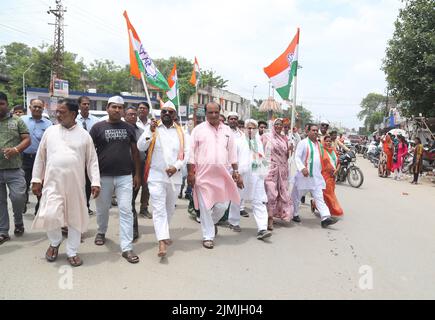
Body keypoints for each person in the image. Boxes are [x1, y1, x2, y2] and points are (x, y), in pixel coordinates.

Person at [31, 100, 100, 267]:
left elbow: (92, 161)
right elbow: (40, 157)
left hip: (76, 184)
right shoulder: (50, 131)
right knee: (50, 215)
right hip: (53, 183)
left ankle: (72, 251)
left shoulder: (84, 135)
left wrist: (95, 182)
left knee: (75, 219)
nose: (58, 115)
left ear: (73, 114)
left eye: (62, 112)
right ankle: (55, 242)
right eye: (57, 112)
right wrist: (36, 179)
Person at [90, 96, 141, 264]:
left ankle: (126, 248)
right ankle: (101, 231)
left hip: (125, 176)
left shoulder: (129, 128)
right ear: (107, 108)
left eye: (120, 107)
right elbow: (90, 155)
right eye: (114, 107)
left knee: (126, 210)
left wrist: (137, 174)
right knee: (102, 208)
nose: (117, 110)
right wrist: (93, 178)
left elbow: (135, 152)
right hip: (103, 176)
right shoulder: (97, 128)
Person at [187, 101, 243, 249]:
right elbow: (191, 153)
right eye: (210, 112)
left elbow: (232, 153)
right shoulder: (198, 130)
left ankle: (211, 224)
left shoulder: (227, 131)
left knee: (223, 205)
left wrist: (236, 171)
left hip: (222, 174)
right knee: (205, 206)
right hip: (203, 174)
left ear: (220, 112)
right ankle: (208, 236)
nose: (213, 115)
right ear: (205, 113)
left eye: (215, 112)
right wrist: (190, 173)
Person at [137, 101, 189, 257]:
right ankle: (162, 241)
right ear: (160, 113)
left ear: (174, 115)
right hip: (156, 175)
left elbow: (187, 153)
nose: (166, 114)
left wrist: (177, 166)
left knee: (169, 209)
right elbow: (141, 147)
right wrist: (149, 132)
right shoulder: (152, 128)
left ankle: (163, 233)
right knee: (159, 209)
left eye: (170, 112)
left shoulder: (182, 132)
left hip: (175, 176)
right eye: (164, 111)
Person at [229, 119, 272, 239]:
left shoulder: (258, 143)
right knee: (237, 199)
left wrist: (263, 176)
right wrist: (236, 174)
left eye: (253, 128)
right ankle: (233, 222)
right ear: (244, 128)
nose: (251, 130)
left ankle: (262, 228)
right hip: (241, 176)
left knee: (259, 200)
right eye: (249, 127)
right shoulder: (238, 142)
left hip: (256, 176)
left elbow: (261, 159)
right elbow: (233, 159)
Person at [291, 124, 338, 228]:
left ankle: (325, 217)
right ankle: (295, 214)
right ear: (308, 132)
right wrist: (302, 168)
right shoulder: (303, 143)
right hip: (304, 176)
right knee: (296, 196)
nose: (315, 132)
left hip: (316, 176)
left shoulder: (319, 145)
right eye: (313, 130)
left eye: (317, 131)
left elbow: (325, 157)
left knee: (319, 196)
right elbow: (297, 157)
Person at [0, 92, 30, 244]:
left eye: (1, 104)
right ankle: (3, 231)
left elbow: (27, 139)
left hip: (15, 168)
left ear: (6, 104)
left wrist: (16, 150)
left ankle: (18, 221)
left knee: (18, 198)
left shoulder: (17, 121)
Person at [20, 99, 52, 215]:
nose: (37, 109)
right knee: (23, 184)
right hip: (24, 158)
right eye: (35, 107)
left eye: (40, 107)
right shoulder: (22, 120)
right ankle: (22, 202)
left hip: (41, 160)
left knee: (41, 183)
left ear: (43, 108)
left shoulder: (48, 124)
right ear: (30, 107)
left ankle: (39, 206)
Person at [261, 118, 293, 230]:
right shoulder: (266, 137)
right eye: (277, 124)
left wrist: (290, 149)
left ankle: (280, 214)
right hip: (269, 169)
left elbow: (287, 156)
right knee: (271, 194)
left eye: (281, 125)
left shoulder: (285, 139)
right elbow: (259, 152)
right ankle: (269, 218)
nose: (279, 126)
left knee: (283, 193)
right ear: (273, 125)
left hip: (282, 170)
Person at [124, 106, 145, 241]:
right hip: (123, 170)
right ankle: (131, 228)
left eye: (134, 114)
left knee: (130, 200)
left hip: (138, 170)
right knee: (127, 201)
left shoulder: (142, 132)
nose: (132, 116)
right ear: (124, 116)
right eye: (129, 114)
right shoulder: (120, 129)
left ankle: (133, 229)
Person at [76, 96, 99, 215]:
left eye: (88, 104)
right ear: (79, 105)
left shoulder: (95, 121)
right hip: (78, 156)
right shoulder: (74, 120)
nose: (86, 106)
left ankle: (86, 206)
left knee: (89, 182)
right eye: (84, 104)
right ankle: (79, 205)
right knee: (79, 181)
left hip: (91, 156)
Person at [227, 112, 249, 227]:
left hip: (237, 169)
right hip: (224, 168)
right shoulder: (223, 132)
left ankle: (233, 221)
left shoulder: (242, 135)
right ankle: (215, 219)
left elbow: (244, 153)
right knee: (222, 198)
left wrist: (239, 171)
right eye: (231, 119)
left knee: (237, 196)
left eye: (235, 119)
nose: (233, 121)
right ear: (228, 120)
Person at [319, 135, 343, 217]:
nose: (328, 143)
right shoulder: (321, 151)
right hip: (324, 176)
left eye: (330, 141)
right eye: (326, 141)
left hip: (333, 176)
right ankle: (331, 210)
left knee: (330, 193)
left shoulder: (334, 151)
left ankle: (316, 204)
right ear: (323, 142)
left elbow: (339, 162)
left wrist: (337, 170)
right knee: (327, 194)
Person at [135, 102, 152, 218]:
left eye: (144, 108)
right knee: (135, 183)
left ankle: (144, 208)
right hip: (136, 158)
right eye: (140, 108)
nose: (142, 110)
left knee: (147, 185)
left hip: (150, 159)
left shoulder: (153, 124)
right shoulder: (132, 122)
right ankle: (130, 206)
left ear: (148, 110)